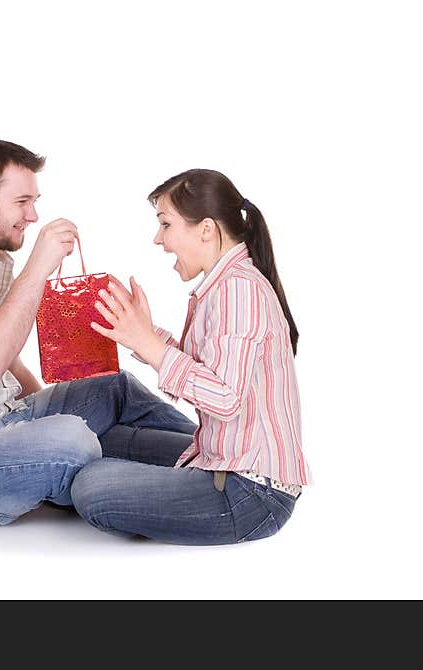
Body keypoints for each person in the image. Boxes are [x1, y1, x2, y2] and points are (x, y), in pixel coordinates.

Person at [0, 139, 196, 529]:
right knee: (73, 439)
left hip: (1, 423)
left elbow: (6, 357)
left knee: (114, 388)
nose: (33, 215)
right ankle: (133, 471)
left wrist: (59, 405)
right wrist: (37, 269)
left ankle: (216, 457)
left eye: (34, 202)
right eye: (22, 202)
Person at [71, 168, 312, 544]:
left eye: (165, 224)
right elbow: (213, 371)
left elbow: (225, 398)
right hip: (222, 456)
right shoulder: (225, 285)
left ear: (206, 229)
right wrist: (146, 335)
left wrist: (152, 347)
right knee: (107, 440)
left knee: (90, 486)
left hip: (250, 494)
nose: (158, 239)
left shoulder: (238, 290)